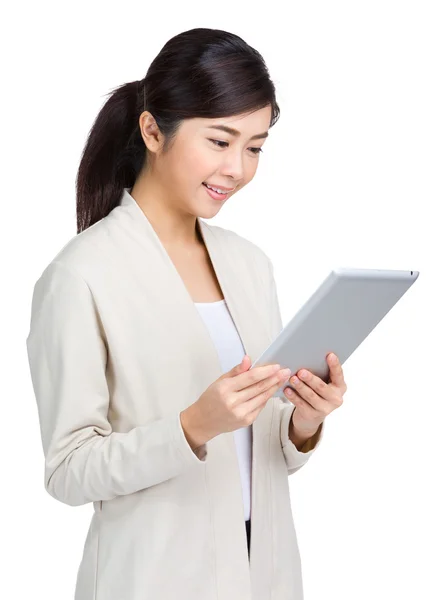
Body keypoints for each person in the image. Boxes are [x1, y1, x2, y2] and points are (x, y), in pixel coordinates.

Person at [26, 27, 347, 600]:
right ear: (153, 130)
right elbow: (67, 471)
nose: (238, 169)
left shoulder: (251, 266)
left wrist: (303, 423)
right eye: (220, 141)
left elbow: (265, 456)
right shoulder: (81, 276)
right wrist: (191, 426)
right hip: (149, 581)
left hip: (266, 580)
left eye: (254, 147)